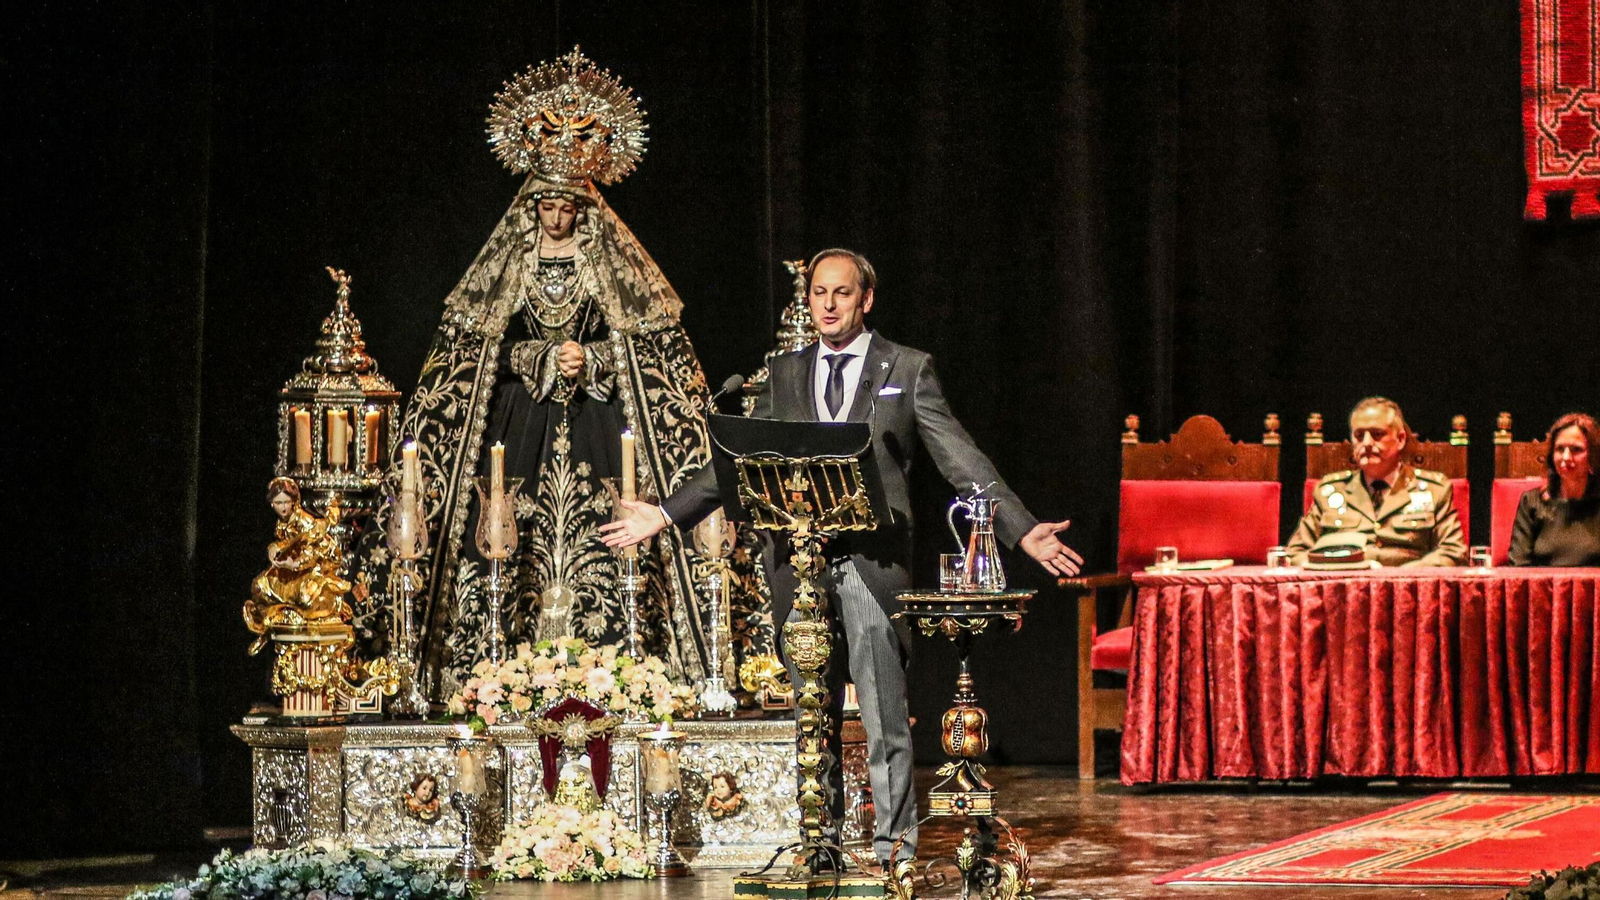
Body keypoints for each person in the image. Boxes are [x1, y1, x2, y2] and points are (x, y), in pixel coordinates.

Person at [602, 248, 1081, 867]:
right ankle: (819, 847)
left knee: (883, 718)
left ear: (866, 299)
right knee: (813, 717)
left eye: (841, 293)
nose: (827, 306)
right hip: (797, 566)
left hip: (869, 565)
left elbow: (960, 458)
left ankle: (893, 853)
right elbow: (740, 461)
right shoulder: (783, 372)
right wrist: (666, 514)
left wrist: (1021, 530)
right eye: (818, 294)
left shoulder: (905, 369)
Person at [349, 49, 771, 696]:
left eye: (567, 207)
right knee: (504, 530)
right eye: (546, 204)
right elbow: (476, 351)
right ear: (532, 205)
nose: (556, 216)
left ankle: (626, 669)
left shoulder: (606, 261)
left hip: (601, 418)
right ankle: (500, 670)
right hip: (522, 421)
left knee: (609, 524)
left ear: (584, 208)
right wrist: (539, 358)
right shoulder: (512, 262)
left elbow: (648, 349)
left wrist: (593, 358)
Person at [1287, 397, 1466, 567]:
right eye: (1359, 435)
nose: (1366, 443)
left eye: (1377, 434)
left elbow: (1453, 553)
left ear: (1400, 439)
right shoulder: (1330, 492)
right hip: (1345, 584)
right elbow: (1297, 553)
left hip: (1408, 585)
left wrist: (1398, 578)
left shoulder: (1434, 490)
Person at [1509, 412, 1600, 567]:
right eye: (1559, 449)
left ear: (1593, 456)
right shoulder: (1531, 502)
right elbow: (1518, 567)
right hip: (1540, 584)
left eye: (1576, 449)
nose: (1566, 457)